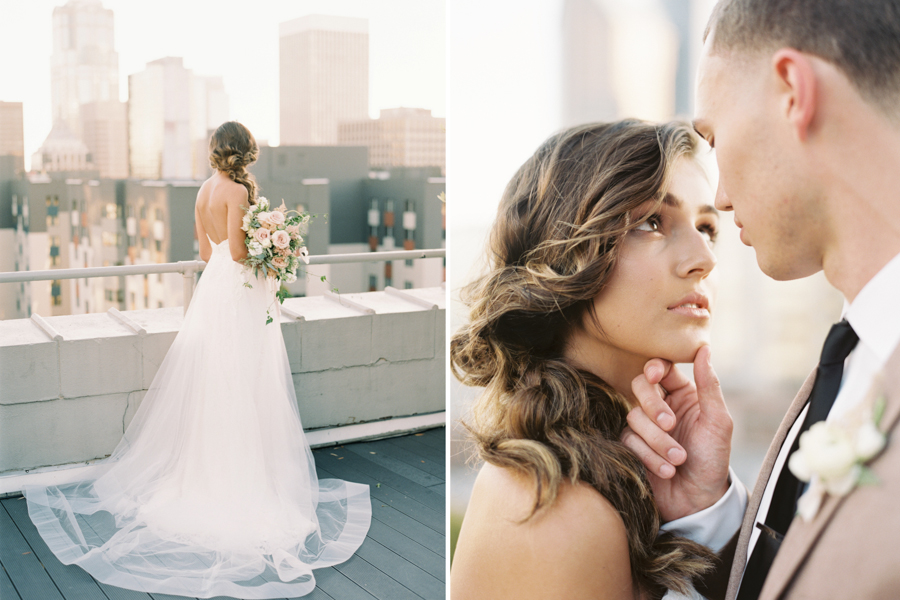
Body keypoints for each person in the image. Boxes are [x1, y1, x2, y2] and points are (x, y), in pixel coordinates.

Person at [23, 121, 372, 599]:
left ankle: (206, 473)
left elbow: (207, 252)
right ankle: (241, 482)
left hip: (213, 290)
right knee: (245, 381)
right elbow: (239, 251)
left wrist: (265, 245)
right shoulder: (236, 193)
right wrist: (277, 251)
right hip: (239, 294)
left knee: (216, 382)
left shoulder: (203, 191)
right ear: (245, 153)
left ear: (214, 153)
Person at [621, 1, 900, 598]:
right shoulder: (850, 357)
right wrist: (713, 514)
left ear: (793, 92)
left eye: (716, 137)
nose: (719, 197)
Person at [450, 119, 743, 599]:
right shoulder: (555, 504)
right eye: (652, 222)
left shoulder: (611, 472)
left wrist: (705, 508)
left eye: (707, 227)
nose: (704, 257)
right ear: (567, 255)